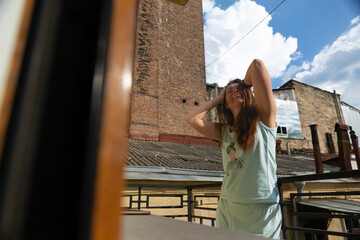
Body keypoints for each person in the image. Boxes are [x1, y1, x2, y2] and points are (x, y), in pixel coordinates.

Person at [186, 59, 282, 239]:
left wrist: (243, 84)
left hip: (260, 208)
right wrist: (219, 98)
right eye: (230, 92)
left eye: (239, 90)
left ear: (247, 94)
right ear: (226, 103)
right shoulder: (224, 131)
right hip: (228, 204)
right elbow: (192, 119)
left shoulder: (264, 118)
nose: (234, 92)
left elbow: (257, 65)